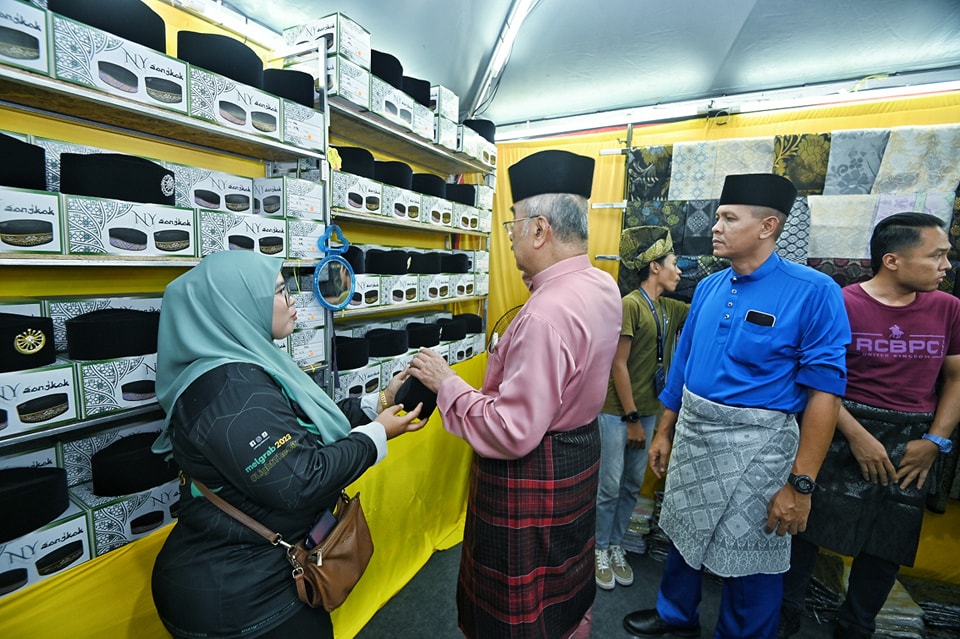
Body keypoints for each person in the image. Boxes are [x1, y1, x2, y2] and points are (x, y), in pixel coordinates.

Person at [622, 173, 851, 639]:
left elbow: (825, 393)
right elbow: (684, 365)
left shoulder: (813, 291)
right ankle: (675, 617)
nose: (715, 227)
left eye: (728, 218)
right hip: (694, 434)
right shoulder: (708, 287)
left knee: (752, 555)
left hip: (759, 448)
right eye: (718, 217)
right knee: (682, 532)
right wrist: (666, 429)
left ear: (768, 226)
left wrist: (800, 484)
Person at [150, 250, 424, 639]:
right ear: (238, 305)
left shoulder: (244, 364)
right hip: (240, 600)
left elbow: (300, 428)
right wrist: (377, 435)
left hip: (249, 580)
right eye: (280, 291)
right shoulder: (229, 391)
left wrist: (375, 404)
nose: (293, 299)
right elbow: (301, 479)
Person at [406, 149, 622, 638]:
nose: (509, 240)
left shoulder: (544, 315)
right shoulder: (603, 285)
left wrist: (447, 384)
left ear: (541, 230)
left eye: (512, 228)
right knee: (563, 577)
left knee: (517, 602)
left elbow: (512, 429)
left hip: (532, 468)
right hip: (577, 453)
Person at [779, 212, 960, 639]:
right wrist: (857, 436)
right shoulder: (840, 303)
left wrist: (935, 440)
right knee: (803, 530)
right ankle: (783, 615)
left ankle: (856, 625)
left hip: (913, 441)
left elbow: (955, 379)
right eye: (937, 255)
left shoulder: (948, 308)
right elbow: (811, 378)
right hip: (839, 430)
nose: (946, 266)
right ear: (893, 260)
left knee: (887, 544)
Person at [595, 226, 688, 591]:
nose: (679, 271)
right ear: (654, 266)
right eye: (674, 263)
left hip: (649, 409)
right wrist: (632, 419)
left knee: (633, 483)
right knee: (608, 485)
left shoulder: (670, 308)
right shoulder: (630, 304)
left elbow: (705, 310)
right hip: (619, 411)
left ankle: (616, 545)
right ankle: (599, 548)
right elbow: (619, 365)